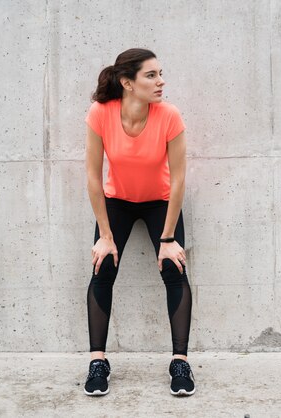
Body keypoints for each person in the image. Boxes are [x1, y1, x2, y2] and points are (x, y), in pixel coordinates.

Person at [83, 48, 195, 397]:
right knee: (102, 268)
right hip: (117, 201)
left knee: (174, 270)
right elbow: (91, 175)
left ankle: (180, 362)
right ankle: (98, 362)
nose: (161, 81)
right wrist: (104, 234)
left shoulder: (169, 116)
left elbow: (178, 180)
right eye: (151, 75)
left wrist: (167, 239)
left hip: (160, 202)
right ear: (127, 83)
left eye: (161, 73)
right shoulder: (101, 113)